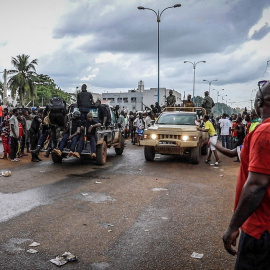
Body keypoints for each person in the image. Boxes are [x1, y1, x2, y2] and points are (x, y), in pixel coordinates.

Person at [218, 80, 270, 269]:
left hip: (261, 230)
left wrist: (233, 227)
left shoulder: (265, 132)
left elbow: (257, 186)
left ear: (259, 103)